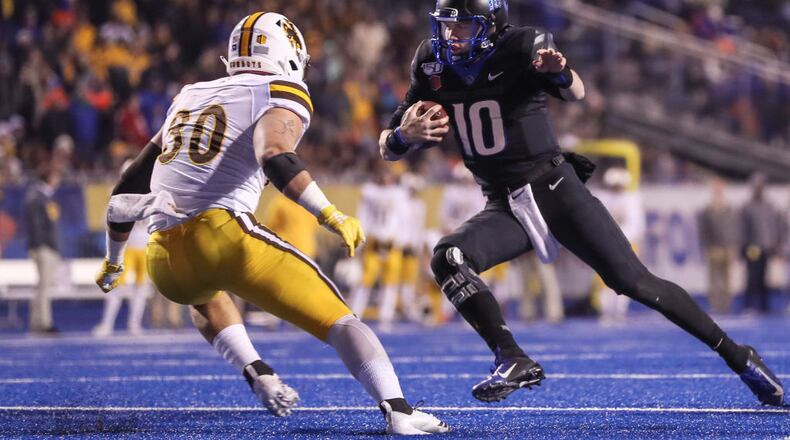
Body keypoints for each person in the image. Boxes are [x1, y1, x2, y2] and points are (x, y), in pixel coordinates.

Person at [379, 0, 783, 406]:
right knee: (448, 257)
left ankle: (738, 356)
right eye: (447, 25)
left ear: (491, 24)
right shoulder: (432, 61)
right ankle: (512, 357)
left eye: (464, 26)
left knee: (634, 282)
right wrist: (403, 137)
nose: (452, 35)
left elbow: (576, 92)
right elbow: (387, 145)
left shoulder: (522, 46)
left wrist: (562, 73)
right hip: (503, 203)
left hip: (554, 189)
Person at [95, 12, 448, 435]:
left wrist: (113, 258)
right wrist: (329, 213)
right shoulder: (279, 89)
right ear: (288, 53)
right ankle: (399, 411)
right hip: (222, 233)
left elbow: (129, 183)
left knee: (204, 295)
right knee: (342, 321)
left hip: (164, 260)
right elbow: (275, 154)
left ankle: (256, 369)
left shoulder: (190, 93)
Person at [593, 167, 644, 325]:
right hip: (607, 243)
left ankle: (620, 311)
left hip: (627, 244)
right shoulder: (602, 197)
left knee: (626, 280)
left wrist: (619, 239)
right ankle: (606, 310)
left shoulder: (632, 199)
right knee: (603, 279)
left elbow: (636, 226)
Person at [23, 167, 62, 334]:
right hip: (44, 247)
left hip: (47, 246)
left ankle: (38, 321)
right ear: (50, 177)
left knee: (42, 286)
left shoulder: (43, 196)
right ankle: (44, 323)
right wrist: (40, 246)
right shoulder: (37, 197)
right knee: (44, 287)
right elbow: (37, 225)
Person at [739, 174, 784, 314]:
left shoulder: (769, 206)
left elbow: (775, 226)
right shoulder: (748, 206)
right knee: (752, 277)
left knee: (764, 277)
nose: (759, 189)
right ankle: (749, 305)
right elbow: (743, 228)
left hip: (766, 247)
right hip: (753, 248)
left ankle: (764, 306)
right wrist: (744, 246)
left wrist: (775, 243)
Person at [697, 177, 738, 314]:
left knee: (726, 280)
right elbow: (704, 231)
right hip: (714, 248)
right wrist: (705, 247)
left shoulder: (728, 209)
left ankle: (726, 306)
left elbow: (733, 229)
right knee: (714, 280)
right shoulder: (708, 210)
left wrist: (733, 247)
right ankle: (715, 305)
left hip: (726, 248)